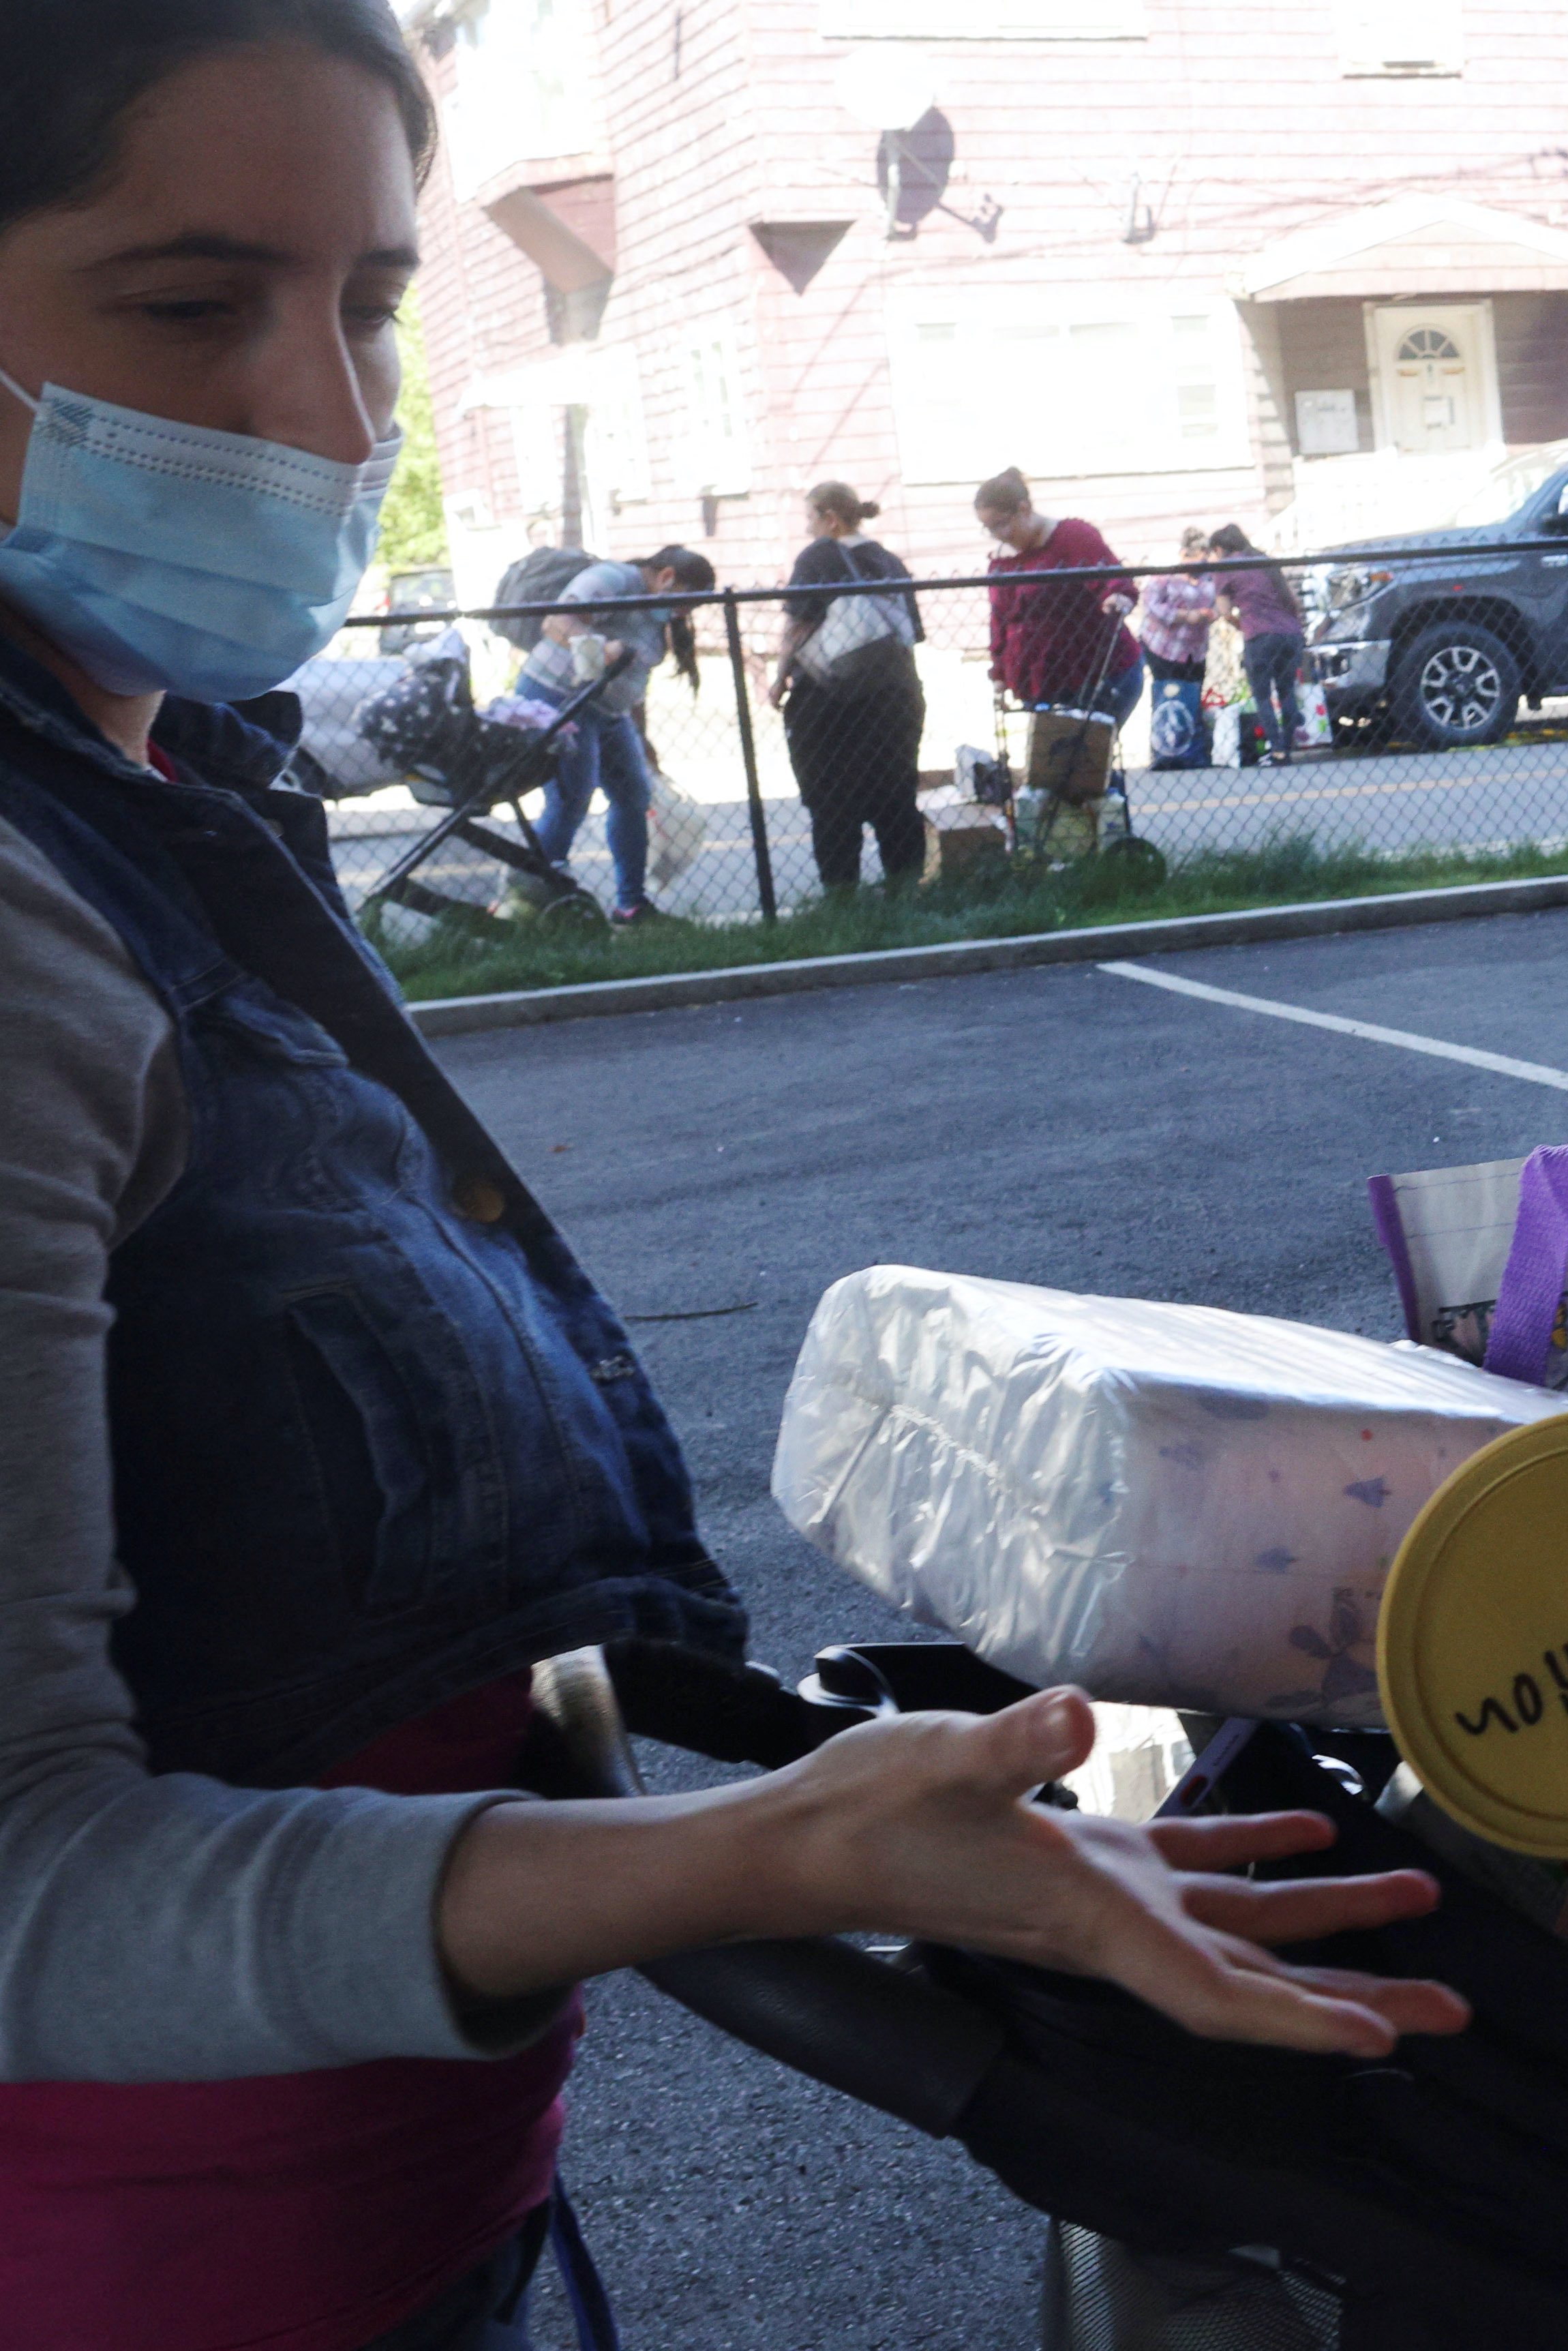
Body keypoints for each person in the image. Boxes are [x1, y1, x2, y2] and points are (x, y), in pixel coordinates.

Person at [0, 15, 1466, 2350]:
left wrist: (847, 1805)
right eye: (188, 306)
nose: (333, 414)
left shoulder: (175, 800)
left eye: (370, 302)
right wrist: (778, 1842)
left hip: (410, 2218)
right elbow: (29, 1887)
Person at [522, 542, 712, 922]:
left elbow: (636, 677)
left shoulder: (654, 614)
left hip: (609, 710)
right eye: (686, 602)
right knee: (571, 798)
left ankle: (631, 904)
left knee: (633, 796)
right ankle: (530, 898)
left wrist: (642, 736)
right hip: (561, 698)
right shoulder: (614, 580)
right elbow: (557, 622)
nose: (685, 613)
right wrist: (600, 647)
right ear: (667, 577)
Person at [769, 480, 926, 892]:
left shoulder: (819, 556)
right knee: (895, 796)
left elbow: (799, 624)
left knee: (832, 801)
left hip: (828, 699)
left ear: (830, 519)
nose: (808, 529)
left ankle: (842, 897)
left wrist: (779, 677)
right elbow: (912, 631)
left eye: (810, 519)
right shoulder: (889, 561)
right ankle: (905, 887)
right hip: (895, 695)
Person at [976, 464, 1139, 723]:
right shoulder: (1000, 564)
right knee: (1053, 761)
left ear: (1024, 509)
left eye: (1001, 525)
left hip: (1099, 676)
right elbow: (1000, 622)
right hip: (1039, 685)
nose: (998, 536)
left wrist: (1115, 596)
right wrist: (999, 671)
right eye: (989, 529)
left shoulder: (1072, 537)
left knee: (1086, 760)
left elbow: (1112, 578)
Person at [1205, 522, 1307, 761]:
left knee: (1262, 695)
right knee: (1287, 691)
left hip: (1259, 635)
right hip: (1290, 633)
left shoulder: (1225, 568)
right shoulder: (1265, 561)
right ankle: (1289, 745)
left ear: (1219, 549)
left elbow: (1224, 611)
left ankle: (1278, 749)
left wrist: (1241, 624)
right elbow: (1293, 601)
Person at [1125, 525, 1218, 769]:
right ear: (1186, 555)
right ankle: (1166, 753)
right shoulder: (1165, 573)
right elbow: (1152, 605)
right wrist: (1185, 616)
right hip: (1163, 647)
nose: (1203, 562)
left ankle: (1193, 752)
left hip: (1195, 649)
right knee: (1167, 697)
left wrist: (1212, 614)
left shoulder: (1209, 575)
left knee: (1193, 697)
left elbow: (1219, 601)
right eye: (1199, 557)